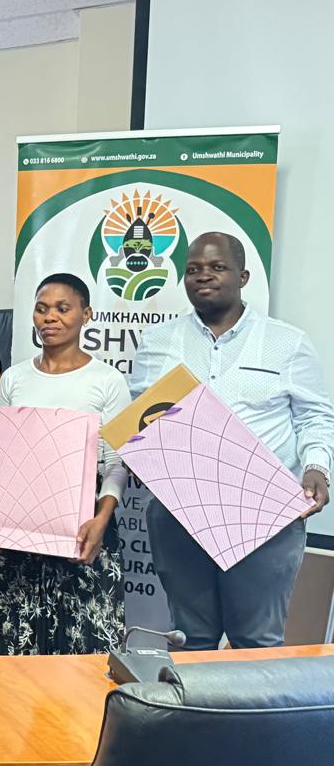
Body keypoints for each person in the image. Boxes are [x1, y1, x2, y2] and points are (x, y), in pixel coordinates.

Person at [130, 232, 334, 649]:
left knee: (255, 642)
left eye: (217, 267)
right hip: (180, 511)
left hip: (265, 512)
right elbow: (143, 420)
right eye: (193, 269)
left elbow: (315, 416)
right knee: (190, 638)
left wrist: (317, 466)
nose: (203, 275)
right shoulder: (157, 342)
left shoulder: (287, 342)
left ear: (242, 277)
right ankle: (194, 697)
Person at [0, 273, 131, 655]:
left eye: (62, 308)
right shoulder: (14, 379)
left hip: (86, 529)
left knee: (87, 648)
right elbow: (3, 458)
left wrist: (102, 520)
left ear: (86, 314)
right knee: (20, 647)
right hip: (21, 535)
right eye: (41, 308)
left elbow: (118, 463)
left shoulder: (107, 381)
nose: (50, 317)